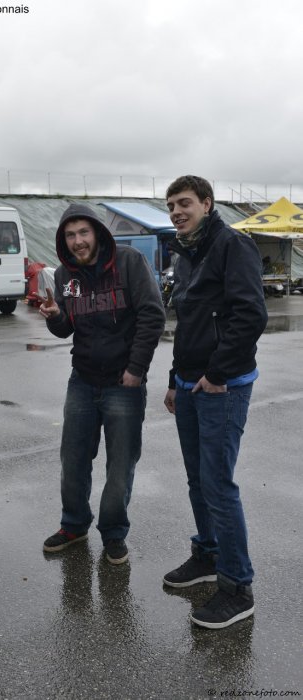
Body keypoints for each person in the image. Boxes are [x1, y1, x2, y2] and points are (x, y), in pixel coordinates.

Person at [162, 176, 268, 629]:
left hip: (222, 387)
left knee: (218, 484)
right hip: (190, 384)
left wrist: (217, 373)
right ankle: (207, 554)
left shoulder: (231, 245)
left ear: (206, 203)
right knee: (197, 480)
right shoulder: (187, 252)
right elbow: (189, 324)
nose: (176, 212)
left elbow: (251, 315)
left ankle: (237, 586)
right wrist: (174, 379)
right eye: (171, 206)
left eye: (184, 203)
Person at [39, 203, 165, 564]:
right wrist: (55, 315)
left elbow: (152, 315)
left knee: (120, 465)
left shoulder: (129, 262)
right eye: (70, 235)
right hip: (82, 380)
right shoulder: (65, 275)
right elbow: (65, 328)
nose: (78, 241)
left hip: (124, 383)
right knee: (73, 460)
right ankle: (74, 525)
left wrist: (136, 369)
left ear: (97, 233)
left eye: (84, 232)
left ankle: (113, 533)